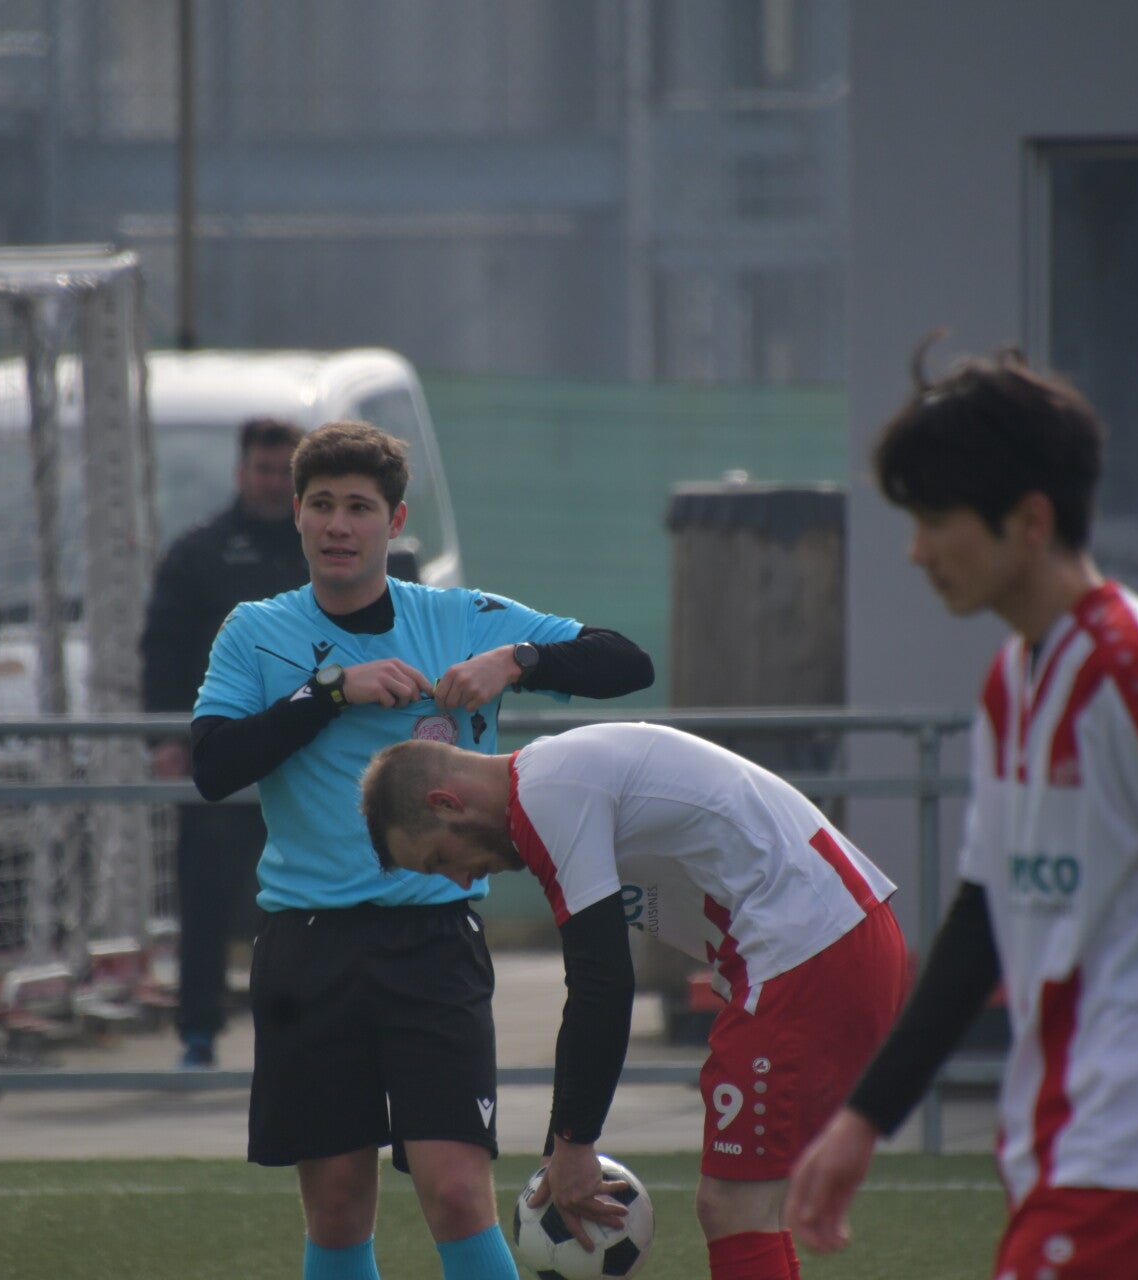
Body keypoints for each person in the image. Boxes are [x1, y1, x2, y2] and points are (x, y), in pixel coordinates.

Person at [783, 347, 1138, 1279]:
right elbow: (982, 916)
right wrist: (865, 1120)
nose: (916, 551)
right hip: (1065, 1138)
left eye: (934, 520)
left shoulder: (1136, 671)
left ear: (1030, 521)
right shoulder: (1014, 679)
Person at [190, 420, 654, 1280]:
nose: (339, 525)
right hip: (307, 945)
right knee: (337, 1204)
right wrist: (330, 691)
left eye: (359, 507)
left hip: (434, 943)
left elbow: (627, 663)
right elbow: (213, 767)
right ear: (297, 513)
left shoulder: (460, 618)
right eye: (322, 505)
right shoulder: (255, 631)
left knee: (456, 1191)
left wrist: (518, 661)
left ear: (395, 520)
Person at [362, 721, 910, 1280]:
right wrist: (561, 1146)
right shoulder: (553, 778)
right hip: (827, 939)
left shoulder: (546, 796)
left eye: (440, 858)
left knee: (733, 1207)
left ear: (447, 802)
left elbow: (601, 982)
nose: (459, 880)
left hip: (809, 951)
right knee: (751, 1206)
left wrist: (573, 1142)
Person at [140, 417, 307, 1068]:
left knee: (307, 900)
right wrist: (165, 739)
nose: (273, 483)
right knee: (206, 898)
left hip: (309, 758)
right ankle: (198, 1032)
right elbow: (162, 650)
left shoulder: (325, 550)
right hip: (224, 753)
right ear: (241, 474)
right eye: (263, 470)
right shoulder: (197, 554)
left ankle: (302, 1034)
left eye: (284, 472)